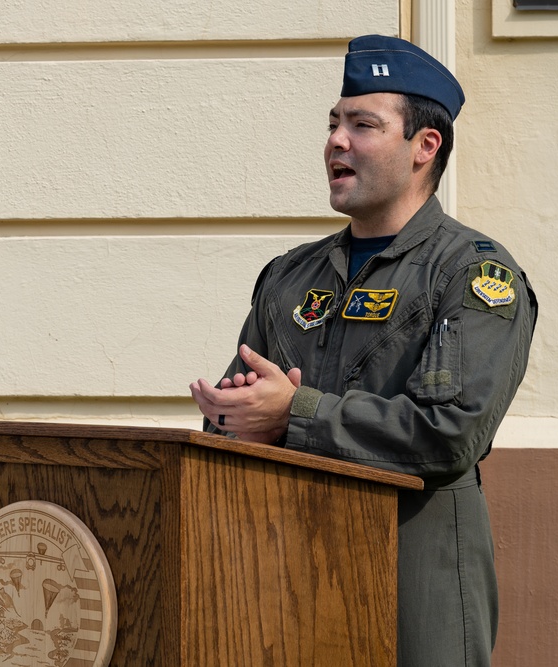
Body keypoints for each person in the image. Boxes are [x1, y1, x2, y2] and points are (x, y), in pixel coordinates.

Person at [189, 34, 538, 666]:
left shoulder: (472, 276)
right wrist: (231, 420)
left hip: (415, 587)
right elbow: (236, 421)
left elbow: (449, 435)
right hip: (288, 575)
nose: (336, 141)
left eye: (362, 124)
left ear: (423, 148)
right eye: (333, 123)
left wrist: (294, 414)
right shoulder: (289, 277)